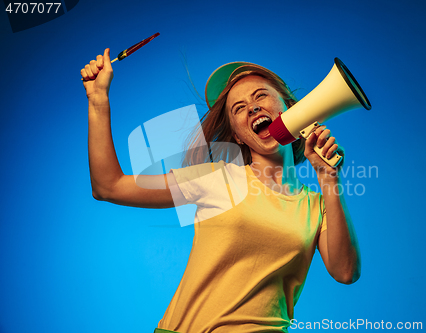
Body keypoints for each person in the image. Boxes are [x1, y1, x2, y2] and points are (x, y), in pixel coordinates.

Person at [81, 48, 361, 333]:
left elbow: (345, 272)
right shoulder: (217, 178)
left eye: (261, 95)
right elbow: (109, 187)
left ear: (290, 107)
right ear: (237, 136)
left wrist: (329, 179)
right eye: (238, 108)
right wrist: (97, 100)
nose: (252, 108)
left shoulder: (319, 205)